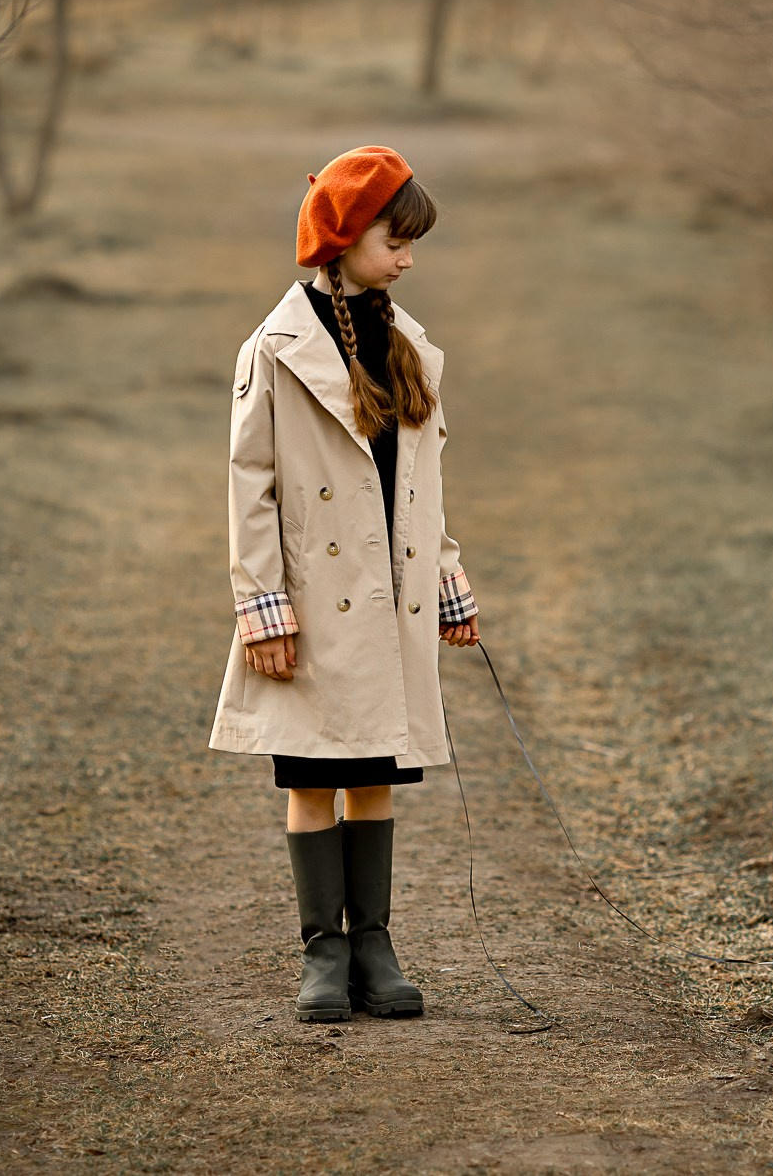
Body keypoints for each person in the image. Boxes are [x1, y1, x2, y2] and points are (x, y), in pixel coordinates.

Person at [209, 145, 480, 1022]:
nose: (408, 258)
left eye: (411, 242)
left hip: (387, 601)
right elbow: (249, 487)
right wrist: (262, 608)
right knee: (311, 780)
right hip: (309, 608)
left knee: (373, 772)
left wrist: (446, 578)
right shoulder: (275, 349)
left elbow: (420, 488)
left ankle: (375, 941)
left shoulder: (407, 350)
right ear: (343, 234)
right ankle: (322, 951)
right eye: (395, 238)